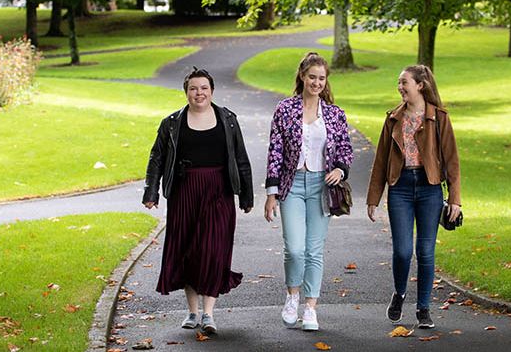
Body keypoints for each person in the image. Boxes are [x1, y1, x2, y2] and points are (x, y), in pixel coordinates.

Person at [142, 67, 253, 335]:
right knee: (189, 251)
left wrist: (247, 195)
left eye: (204, 88)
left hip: (219, 191)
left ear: (212, 91)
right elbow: (156, 157)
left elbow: (240, 157)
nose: (199, 93)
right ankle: (193, 312)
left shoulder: (227, 119)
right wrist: (151, 192)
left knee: (213, 250)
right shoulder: (171, 123)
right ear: (186, 92)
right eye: (193, 88)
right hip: (184, 192)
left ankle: (209, 314)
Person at [366, 64, 462, 329]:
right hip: (401, 187)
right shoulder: (393, 119)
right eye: (399, 83)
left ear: (420, 85)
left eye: (404, 82)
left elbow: (452, 160)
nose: (400, 87)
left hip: (430, 188)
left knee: (425, 251)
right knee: (403, 250)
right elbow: (381, 160)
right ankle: (399, 293)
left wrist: (455, 198)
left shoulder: (439, 118)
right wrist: (373, 197)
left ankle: (423, 309)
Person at [264, 52, 354, 331]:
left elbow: (345, 149)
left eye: (321, 78)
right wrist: (271, 192)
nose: (316, 82)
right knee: (294, 248)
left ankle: (310, 308)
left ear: (326, 81)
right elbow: (275, 151)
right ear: (302, 76)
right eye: (312, 77)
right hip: (292, 185)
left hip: (322, 186)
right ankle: (292, 296)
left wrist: (340, 169)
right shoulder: (285, 109)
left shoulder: (335, 113)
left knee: (314, 250)